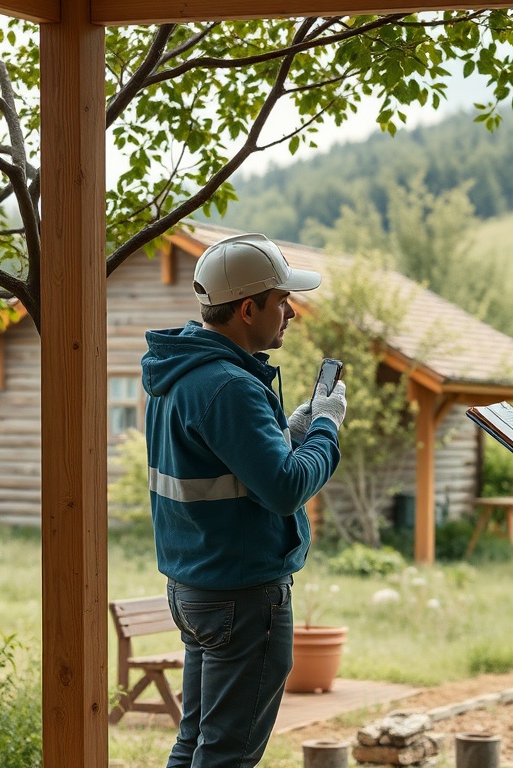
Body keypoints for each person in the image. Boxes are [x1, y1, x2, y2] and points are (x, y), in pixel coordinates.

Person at [142, 232, 347, 768]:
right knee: (227, 756)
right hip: (242, 596)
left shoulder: (180, 375)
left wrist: (289, 432)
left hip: (196, 588)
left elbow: (235, 467)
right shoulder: (229, 385)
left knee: (196, 744)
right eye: (282, 301)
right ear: (249, 307)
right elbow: (284, 489)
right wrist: (325, 426)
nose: (291, 314)